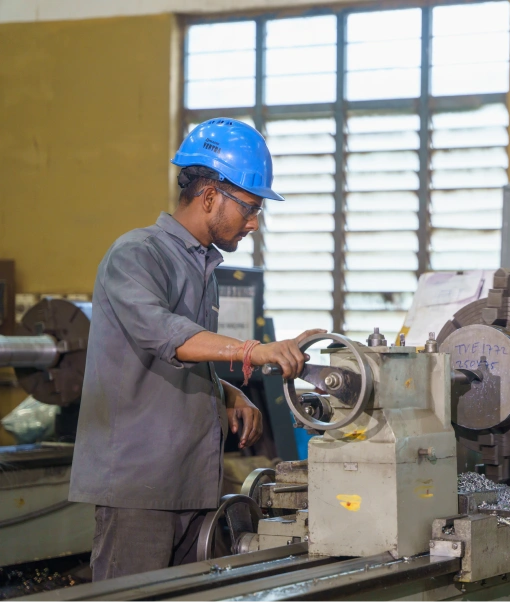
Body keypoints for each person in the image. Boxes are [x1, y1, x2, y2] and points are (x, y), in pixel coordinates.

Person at [69, 118, 324, 580]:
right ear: (209, 197)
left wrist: (226, 392)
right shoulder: (137, 254)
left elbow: (181, 358)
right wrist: (255, 352)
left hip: (191, 483)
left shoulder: (203, 267)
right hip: (139, 488)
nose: (253, 223)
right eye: (249, 208)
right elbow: (165, 334)